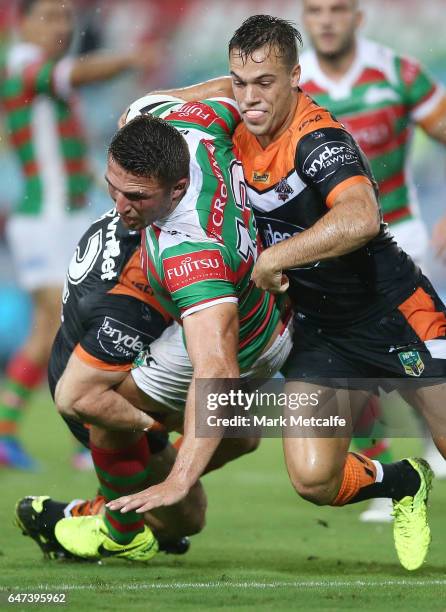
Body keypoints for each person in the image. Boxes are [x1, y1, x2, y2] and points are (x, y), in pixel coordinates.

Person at [109, 15, 446, 572]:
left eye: (264, 82)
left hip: (391, 310)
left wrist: (274, 258)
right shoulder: (233, 109)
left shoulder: (318, 140)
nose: (249, 97)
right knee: (314, 479)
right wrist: (154, 104)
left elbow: (361, 218)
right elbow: (194, 94)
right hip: (322, 332)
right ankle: (403, 480)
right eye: (239, 82)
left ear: (295, 76)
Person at [38, 93, 292, 562]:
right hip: (265, 309)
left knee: (91, 403)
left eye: (136, 197)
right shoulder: (176, 120)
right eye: (112, 186)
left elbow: (217, 368)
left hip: (247, 336)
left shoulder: (189, 253)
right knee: (238, 435)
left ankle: (119, 527)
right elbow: (239, 92)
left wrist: (177, 478)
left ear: (176, 190)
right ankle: (148, 484)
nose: (119, 206)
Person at [16, 205, 264, 561]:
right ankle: (81, 518)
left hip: (98, 367)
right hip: (97, 392)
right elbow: (82, 397)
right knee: (189, 517)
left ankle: (119, 501)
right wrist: (152, 426)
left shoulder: (145, 223)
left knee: (242, 429)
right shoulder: (135, 294)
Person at [299, 0, 446, 522]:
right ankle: (383, 463)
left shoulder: (398, 74)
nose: (327, 20)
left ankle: (428, 446)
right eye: (315, 11)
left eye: (338, 9)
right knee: (350, 360)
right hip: (329, 247)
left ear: (357, 17)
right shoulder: (291, 85)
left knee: (417, 361)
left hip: (400, 234)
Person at [0, 0, 158, 469]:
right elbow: (82, 74)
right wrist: (131, 59)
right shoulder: (24, 64)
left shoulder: (46, 74)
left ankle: (85, 432)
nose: (59, 26)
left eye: (65, 18)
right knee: (57, 323)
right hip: (42, 220)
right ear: (21, 23)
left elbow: (65, 150)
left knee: (84, 320)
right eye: (47, 17)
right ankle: (57, 432)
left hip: (65, 216)